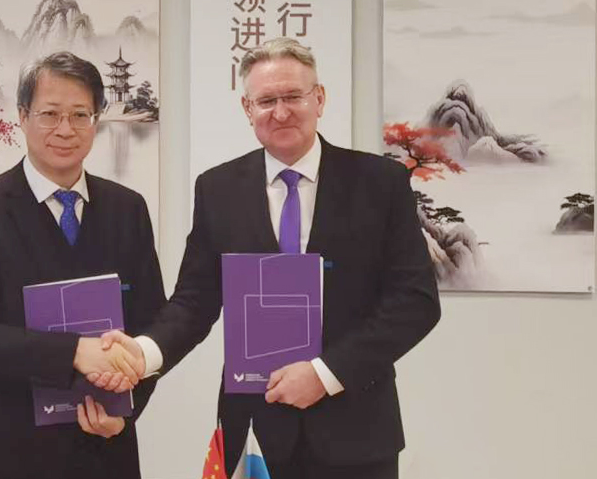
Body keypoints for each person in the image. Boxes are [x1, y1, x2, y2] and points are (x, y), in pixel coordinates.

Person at [95, 38, 440, 479]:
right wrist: (142, 353)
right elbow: (194, 302)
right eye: (267, 101)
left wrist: (326, 373)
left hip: (357, 430)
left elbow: (415, 302)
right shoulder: (218, 189)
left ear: (320, 98)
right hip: (254, 431)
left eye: (293, 96)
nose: (281, 112)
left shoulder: (380, 182)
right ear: (247, 108)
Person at [0, 51, 165, 479]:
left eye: (80, 115)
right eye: (50, 114)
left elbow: (152, 325)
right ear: (23, 116)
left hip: (104, 447)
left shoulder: (127, 209)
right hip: (4, 451)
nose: (65, 129)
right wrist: (75, 352)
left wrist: (125, 413)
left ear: (96, 119)